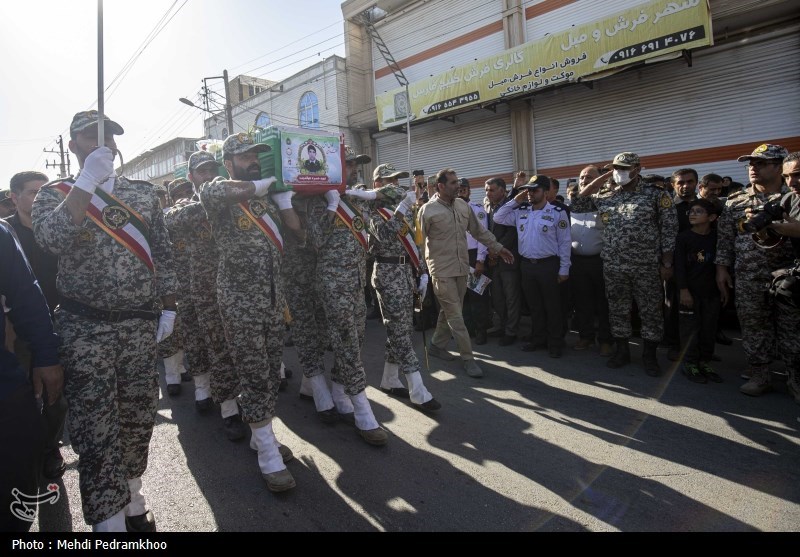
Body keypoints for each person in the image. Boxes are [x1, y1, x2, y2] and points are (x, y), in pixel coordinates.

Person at [32, 110, 178, 532]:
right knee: (96, 431)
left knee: (137, 418)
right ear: (74, 145)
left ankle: (132, 494)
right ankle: (106, 523)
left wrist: (169, 307)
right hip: (85, 328)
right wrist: (86, 184)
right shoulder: (54, 194)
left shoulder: (145, 195)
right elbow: (52, 239)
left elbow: (164, 256)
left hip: (137, 326)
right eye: (89, 137)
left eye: (108, 136)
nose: (102, 143)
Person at [198, 132, 299, 491]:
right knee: (253, 370)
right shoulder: (217, 190)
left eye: (255, 156)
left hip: (272, 297)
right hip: (239, 300)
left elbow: (295, 230)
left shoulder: (266, 197)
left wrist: (284, 196)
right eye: (244, 157)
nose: (253, 161)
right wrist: (260, 186)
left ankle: (262, 435)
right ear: (228, 163)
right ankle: (268, 454)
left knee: (272, 371)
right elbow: (217, 192)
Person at [166, 153, 254, 440]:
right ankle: (226, 407)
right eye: (201, 171)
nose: (208, 174)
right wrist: (214, 200)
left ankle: (225, 395)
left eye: (211, 169)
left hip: (235, 284)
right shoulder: (188, 204)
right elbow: (172, 219)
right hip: (201, 288)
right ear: (191, 177)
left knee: (235, 346)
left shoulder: (233, 198)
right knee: (210, 343)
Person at [571, 152, 678, 377]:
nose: (618, 172)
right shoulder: (606, 195)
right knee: (618, 310)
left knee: (650, 312)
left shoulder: (656, 195)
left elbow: (669, 229)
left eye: (623, 168)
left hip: (646, 265)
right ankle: (622, 352)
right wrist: (604, 176)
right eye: (615, 168)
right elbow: (580, 200)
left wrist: (667, 262)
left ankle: (649, 356)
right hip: (614, 265)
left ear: (637, 169)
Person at [353, 163, 440, 411]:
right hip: (387, 272)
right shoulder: (372, 210)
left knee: (403, 328)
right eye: (389, 180)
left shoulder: (399, 209)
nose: (396, 184)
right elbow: (385, 235)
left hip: (405, 272)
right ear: (377, 183)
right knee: (399, 330)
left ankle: (390, 379)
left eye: (397, 179)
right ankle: (418, 389)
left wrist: (422, 272)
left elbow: (414, 241)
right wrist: (402, 209)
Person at [418, 168, 514, 378]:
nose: (457, 186)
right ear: (440, 186)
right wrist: (420, 271)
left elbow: (479, 231)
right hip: (441, 270)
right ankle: (468, 359)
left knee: (450, 310)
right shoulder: (428, 210)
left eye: (457, 182)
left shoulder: (463, 206)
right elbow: (419, 242)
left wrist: (498, 248)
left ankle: (436, 345)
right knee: (456, 314)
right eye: (452, 183)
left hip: (462, 268)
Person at [0, 220, 63, 532]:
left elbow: (26, 296)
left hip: (4, 389)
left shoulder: (0, 235)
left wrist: (46, 356)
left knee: (14, 497)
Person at [717, 143, 794, 395]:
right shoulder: (736, 200)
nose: (753, 168)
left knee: (792, 328)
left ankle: (795, 380)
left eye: (760, 163)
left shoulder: (793, 197)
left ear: (780, 166)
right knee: (752, 326)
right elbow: (725, 238)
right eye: (751, 164)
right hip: (749, 274)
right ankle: (760, 375)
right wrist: (722, 269)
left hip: (790, 274)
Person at [6, 170, 67, 480]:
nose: (41, 197)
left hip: (60, 327)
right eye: (33, 192)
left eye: (45, 191)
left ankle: (50, 447)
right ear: (14, 197)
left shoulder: (57, 231)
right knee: (24, 397)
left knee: (58, 397)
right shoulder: (9, 233)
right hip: (19, 333)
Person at [494, 175, 571, 358]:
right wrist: (516, 199)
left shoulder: (557, 213)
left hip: (548, 265)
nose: (530, 194)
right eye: (528, 190)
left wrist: (564, 269)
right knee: (535, 306)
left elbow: (565, 243)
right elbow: (498, 217)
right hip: (527, 266)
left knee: (552, 306)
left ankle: (555, 342)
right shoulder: (522, 211)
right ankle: (538, 338)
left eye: (534, 190)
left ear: (545, 191)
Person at [764, 151, 800, 403]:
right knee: (792, 338)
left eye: (797, 175)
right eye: (788, 176)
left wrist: (776, 226)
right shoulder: (791, 199)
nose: (792, 181)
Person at [675, 198, 723, 383]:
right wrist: (683, 290)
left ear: (711, 217)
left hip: (711, 293)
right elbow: (679, 267)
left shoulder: (716, 237)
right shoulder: (684, 238)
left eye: (698, 211)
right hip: (690, 293)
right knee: (689, 329)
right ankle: (690, 363)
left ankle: (705, 362)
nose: (693, 214)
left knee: (708, 329)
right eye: (691, 211)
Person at [570, 166, 613, 356]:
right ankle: (586, 336)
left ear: (600, 180)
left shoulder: (608, 201)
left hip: (600, 261)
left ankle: (605, 340)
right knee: (582, 301)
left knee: (603, 303)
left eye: (589, 177)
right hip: (578, 261)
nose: (584, 180)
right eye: (581, 176)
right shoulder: (576, 203)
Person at [663, 168, 700, 362]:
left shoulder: (705, 206)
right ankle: (674, 344)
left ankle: (698, 347)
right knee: (673, 306)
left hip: (700, 265)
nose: (685, 186)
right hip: (674, 265)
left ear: (696, 183)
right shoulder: (667, 206)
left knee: (700, 306)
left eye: (690, 181)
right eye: (681, 182)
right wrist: (666, 264)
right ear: (673, 185)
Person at [484, 177, 520, 346]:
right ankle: (503, 326)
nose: (487, 193)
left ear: (502, 190)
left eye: (491, 190)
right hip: (492, 260)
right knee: (497, 296)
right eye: (486, 190)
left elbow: (512, 233)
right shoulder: (486, 206)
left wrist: (496, 251)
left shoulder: (511, 206)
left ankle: (511, 331)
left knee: (511, 297)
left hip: (507, 259)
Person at [457, 178, 492, 345]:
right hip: (456, 257)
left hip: (472, 256)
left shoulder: (477, 209)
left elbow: (482, 237)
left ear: (469, 190)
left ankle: (481, 331)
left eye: (464, 188)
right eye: (458, 188)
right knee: (461, 296)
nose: (461, 191)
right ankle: (467, 330)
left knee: (477, 296)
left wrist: (480, 260)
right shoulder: (448, 209)